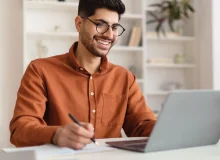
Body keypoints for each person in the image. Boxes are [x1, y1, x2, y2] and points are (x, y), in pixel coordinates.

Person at [9, 0, 156, 150]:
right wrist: (56, 135)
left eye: (115, 27)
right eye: (100, 24)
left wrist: (171, 127)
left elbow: (141, 126)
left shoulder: (125, 77)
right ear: (79, 24)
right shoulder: (40, 70)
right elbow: (20, 130)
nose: (109, 35)